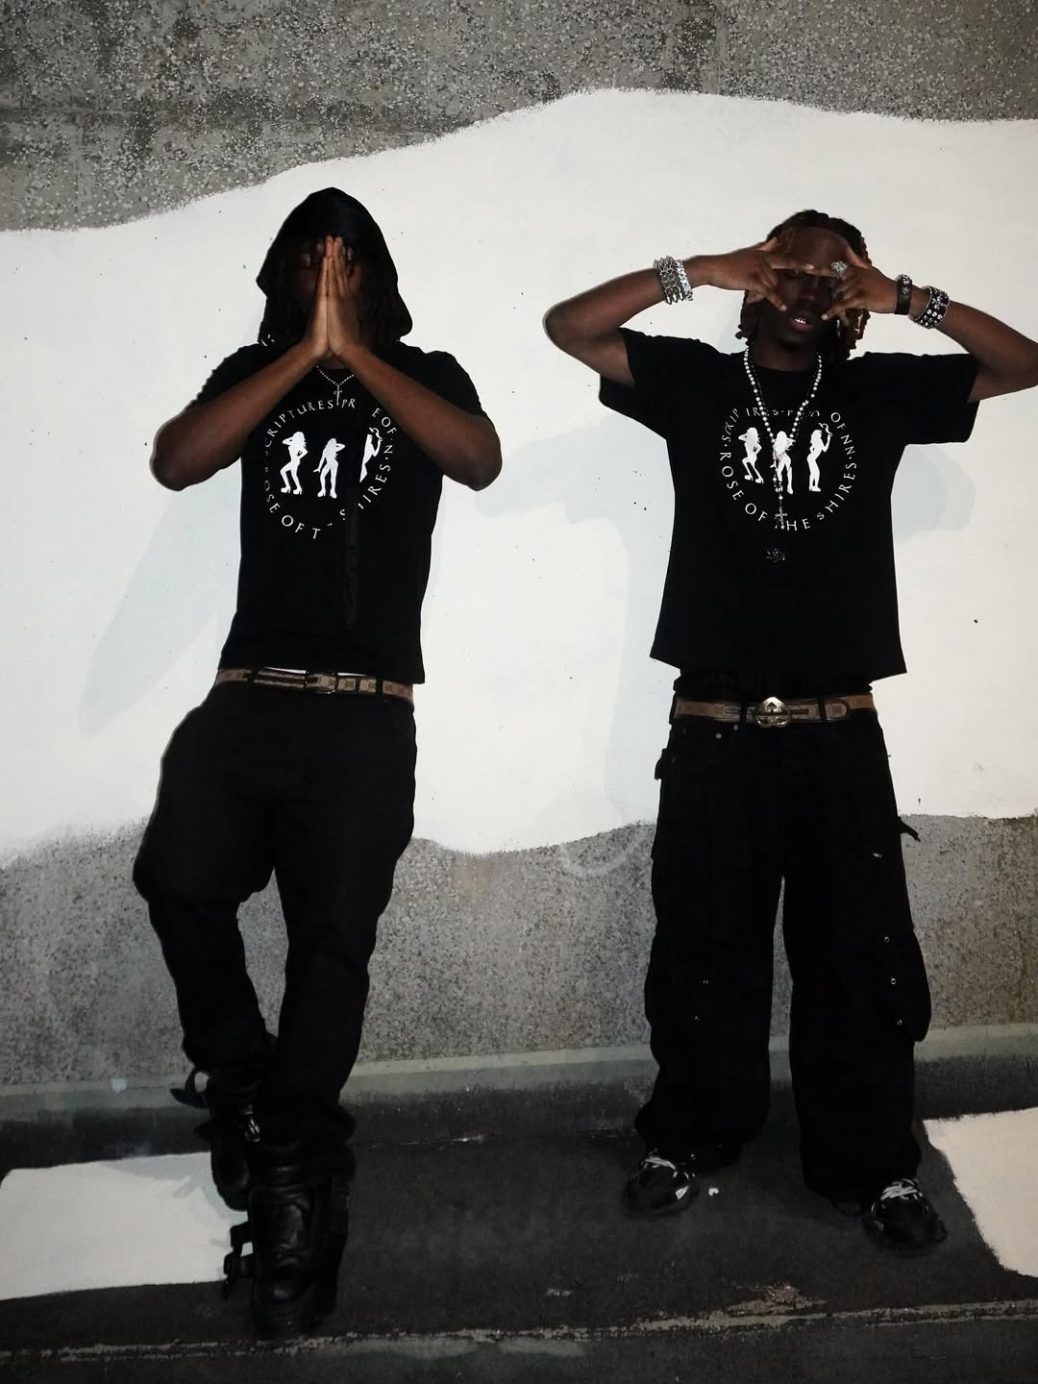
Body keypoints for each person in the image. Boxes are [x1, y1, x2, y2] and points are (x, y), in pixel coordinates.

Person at [544, 210, 1038, 1252]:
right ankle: (688, 1136)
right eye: (790, 268)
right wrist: (697, 270)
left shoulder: (878, 393)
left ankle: (872, 1167)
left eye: (832, 274)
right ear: (757, 280)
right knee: (704, 949)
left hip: (838, 730)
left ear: (852, 295)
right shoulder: (697, 384)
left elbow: (1024, 363)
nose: (809, 288)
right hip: (715, 728)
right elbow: (569, 328)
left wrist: (909, 299)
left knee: (859, 957)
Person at [134, 188, 500, 1335]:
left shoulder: (427, 371)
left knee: (331, 943)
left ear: (378, 275)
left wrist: (356, 353)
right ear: (279, 276)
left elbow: (477, 459)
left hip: (362, 716)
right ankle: (244, 1078)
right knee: (176, 878)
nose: (325, 273)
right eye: (306, 258)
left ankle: (298, 1168)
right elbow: (177, 460)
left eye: (345, 259)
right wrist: (305, 353)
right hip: (248, 697)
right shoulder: (255, 370)